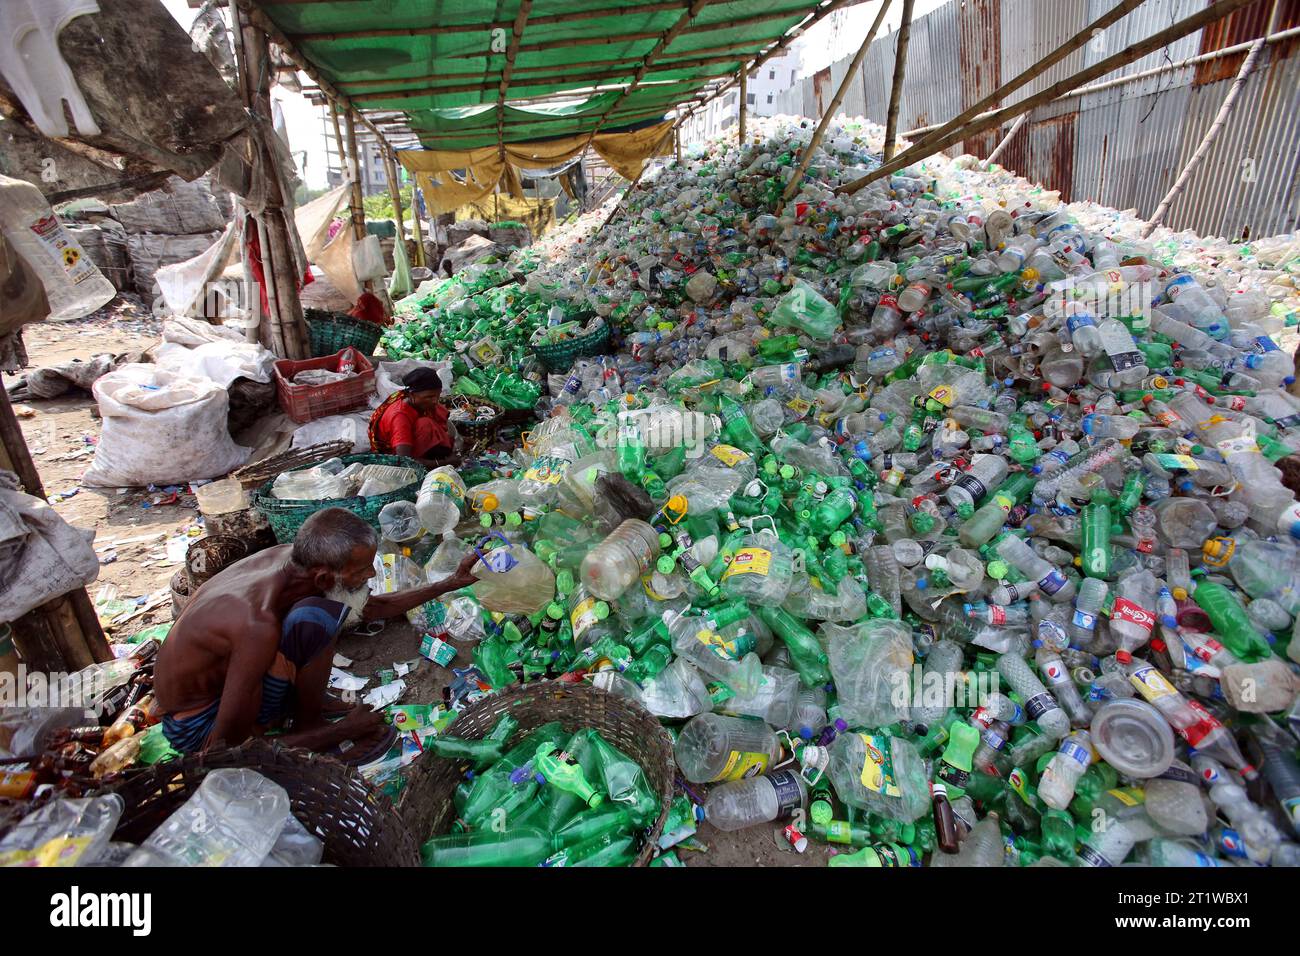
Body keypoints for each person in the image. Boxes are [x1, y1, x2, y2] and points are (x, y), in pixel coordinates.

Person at [154, 508, 478, 762]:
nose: (372, 574)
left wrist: (449, 583)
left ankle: (306, 716)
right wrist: (342, 733)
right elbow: (220, 751)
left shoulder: (290, 560)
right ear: (324, 577)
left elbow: (369, 608)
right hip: (198, 728)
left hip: (227, 685)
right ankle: (311, 729)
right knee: (319, 618)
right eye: (362, 570)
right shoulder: (256, 625)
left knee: (324, 613)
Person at [369, 367, 460, 468]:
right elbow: (404, 461)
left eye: (437, 396)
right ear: (411, 395)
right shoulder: (400, 416)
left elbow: (444, 424)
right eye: (429, 397)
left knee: (429, 421)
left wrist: (458, 441)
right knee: (425, 424)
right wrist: (443, 463)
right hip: (395, 457)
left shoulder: (425, 404)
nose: (435, 401)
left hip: (415, 446)